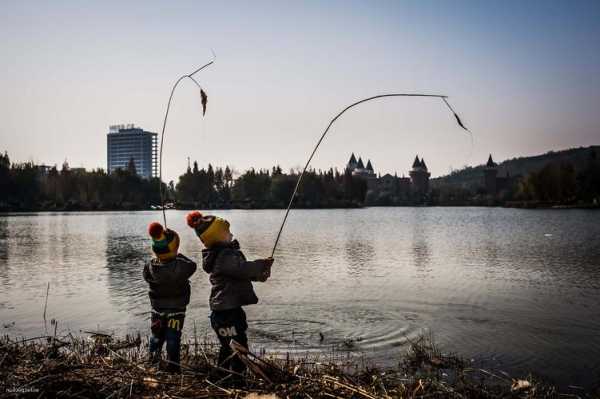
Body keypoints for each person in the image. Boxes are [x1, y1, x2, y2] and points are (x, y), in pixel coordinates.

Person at [186, 211, 274, 374]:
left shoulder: (224, 255)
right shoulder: (224, 256)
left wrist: (259, 275)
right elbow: (241, 269)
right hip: (225, 314)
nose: (231, 234)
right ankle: (235, 380)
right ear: (217, 237)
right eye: (227, 232)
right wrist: (261, 264)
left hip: (228, 311)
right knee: (238, 347)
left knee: (229, 347)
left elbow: (239, 274)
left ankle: (222, 377)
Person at [143, 222, 197, 372]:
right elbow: (192, 266)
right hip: (176, 311)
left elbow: (146, 276)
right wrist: (177, 254)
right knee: (173, 339)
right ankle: (173, 367)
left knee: (156, 337)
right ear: (174, 248)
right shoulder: (180, 265)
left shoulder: (150, 265)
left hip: (157, 311)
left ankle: (153, 364)